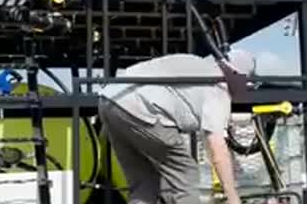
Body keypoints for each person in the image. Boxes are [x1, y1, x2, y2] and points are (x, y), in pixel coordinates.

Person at [98, 49, 256, 204]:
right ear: (238, 76)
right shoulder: (218, 88)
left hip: (109, 99)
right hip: (141, 108)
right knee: (186, 173)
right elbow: (217, 149)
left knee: (144, 183)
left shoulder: (196, 63)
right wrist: (232, 196)